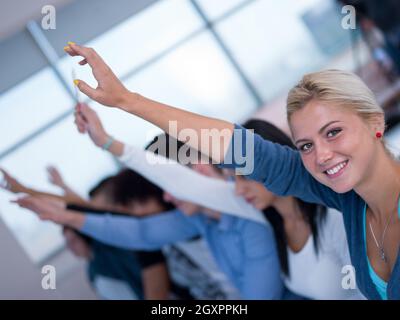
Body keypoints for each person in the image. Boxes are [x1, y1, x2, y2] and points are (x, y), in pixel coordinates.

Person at [54, 42, 400, 299]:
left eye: (333, 132)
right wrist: (126, 105)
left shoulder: (333, 206)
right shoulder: (345, 200)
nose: (322, 155)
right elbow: (241, 149)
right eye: (306, 145)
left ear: (375, 122)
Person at [15, 104, 283, 299]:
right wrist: (66, 217)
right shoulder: (203, 217)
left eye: (168, 187)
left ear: (199, 170)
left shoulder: (248, 217)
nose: (166, 197)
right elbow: (141, 232)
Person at [234, 119, 365, 299]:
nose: (238, 190)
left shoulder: (334, 216)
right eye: (233, 180)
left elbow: (370, 292)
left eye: (245, 177)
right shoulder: (270, 221)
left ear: (273, 163)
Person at [1, 167, 171, 300]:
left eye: (73, 241)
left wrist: (26, 189)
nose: (70, 247)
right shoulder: (136, 243)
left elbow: (80, 207)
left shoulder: (119, 242)